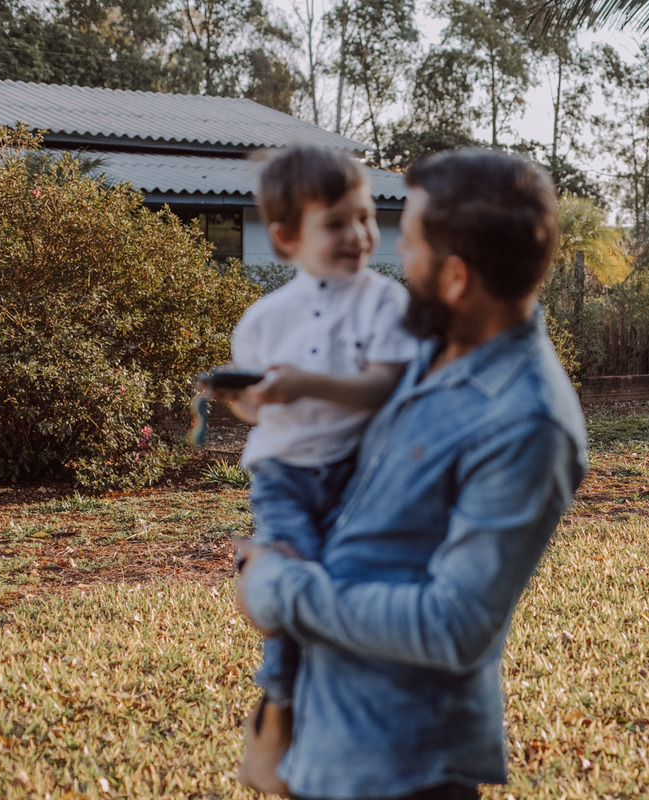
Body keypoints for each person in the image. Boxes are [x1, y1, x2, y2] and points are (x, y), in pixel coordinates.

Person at [234, 149, 587, 800]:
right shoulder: (424, 345)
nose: (392, 252)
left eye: (411, 242)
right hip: (327, 737)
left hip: (404, 764)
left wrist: (280, 589)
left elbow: (454, 624)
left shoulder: (526, 421)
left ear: (455, 277)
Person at [219, 147, 419, 792]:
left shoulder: (385, 302)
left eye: (365, 217)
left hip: (356, 474)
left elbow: (382, 388)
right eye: (336, 223)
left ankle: (341, 711)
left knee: (342, 588)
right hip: (282, 477)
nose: (359, 234)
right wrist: (244, 399)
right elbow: (256, 411)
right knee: (297, 585)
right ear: (286, 238)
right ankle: (277, 710)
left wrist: (305, 384)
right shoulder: (263, 320)